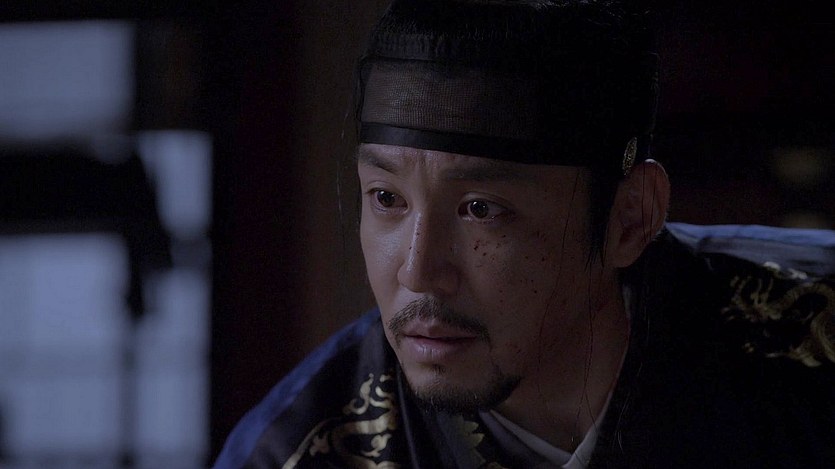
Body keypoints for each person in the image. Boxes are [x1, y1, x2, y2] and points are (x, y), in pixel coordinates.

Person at [214, 1, 835, 467]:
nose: (418, 271)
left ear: (630, 218)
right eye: (387, 199)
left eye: (481, 208)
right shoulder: (306, 449)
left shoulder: (815, 346)